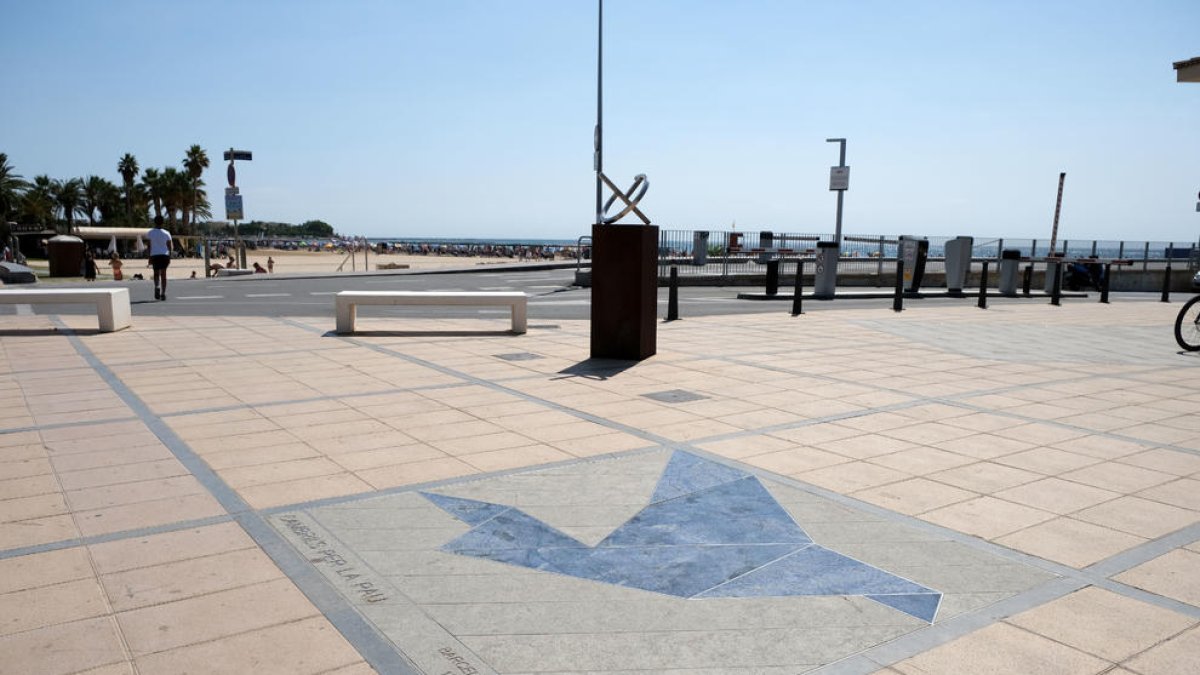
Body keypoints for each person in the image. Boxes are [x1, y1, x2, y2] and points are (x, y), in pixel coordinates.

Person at [147, 215, 172, 300]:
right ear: (163, 222)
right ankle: (163, 293)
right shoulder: (166, 233)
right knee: (163, 275)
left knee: (156, 273)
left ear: (155, 222)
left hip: (154, 255)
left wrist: (149, 257)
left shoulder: (150, 233)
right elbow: (170, 246)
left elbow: (149, 246)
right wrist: (170, 256)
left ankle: (157, 286)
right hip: (164, 255)